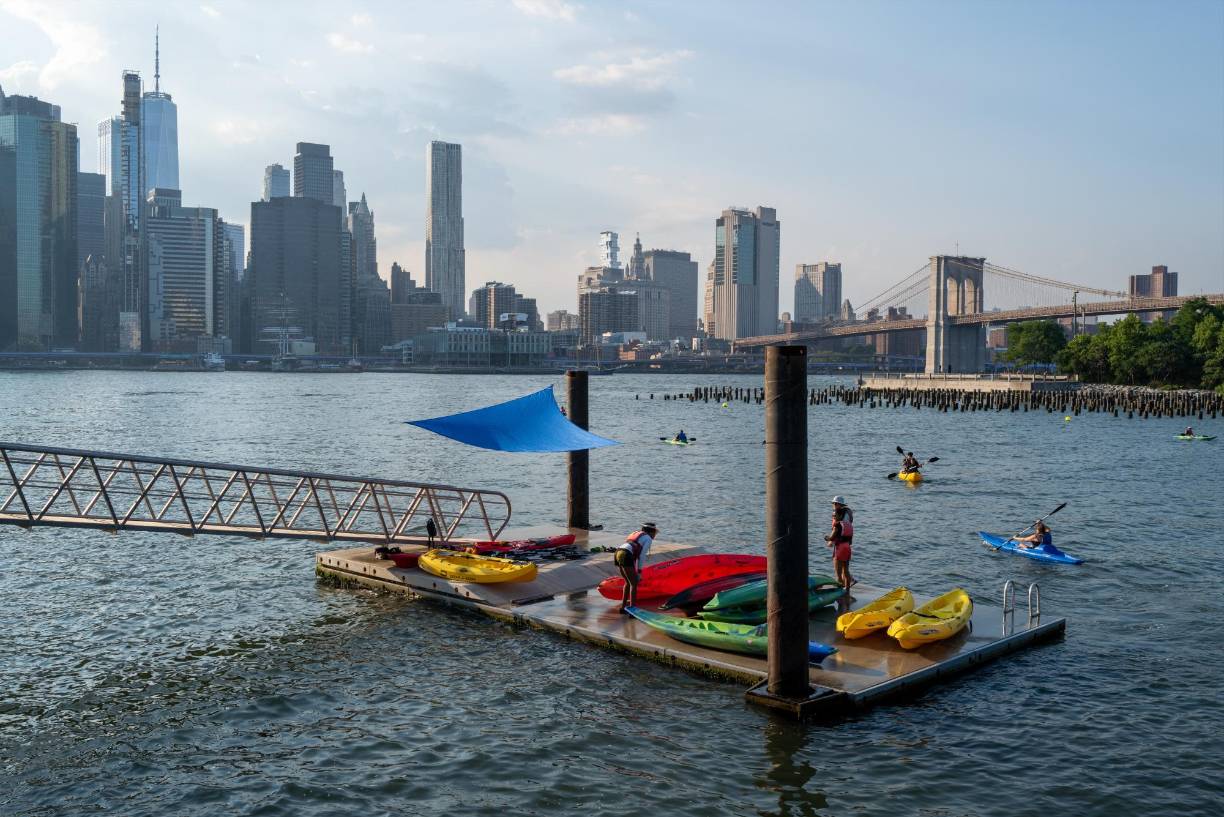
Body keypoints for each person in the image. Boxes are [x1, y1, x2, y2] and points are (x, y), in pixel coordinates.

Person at [614, 522, 657, 613]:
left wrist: (636, 570)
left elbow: (633, 551)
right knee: (634, 583)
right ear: (651, 532)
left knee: (628, 582)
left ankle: (623, 608)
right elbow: (641, 556)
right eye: (655, 533)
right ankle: (633, 610)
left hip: (618, 552)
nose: (655, 535)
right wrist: (639, 572)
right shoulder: (648, 538)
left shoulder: (636, 533)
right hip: (626, 554)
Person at [824, 502, 855, 591]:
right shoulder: (848, 525)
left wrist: (826, 538)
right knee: (846, 571)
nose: (833, 518)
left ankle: (839, 592)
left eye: (834, 516)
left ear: (838, 516)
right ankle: (847, 590)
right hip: (847, 548)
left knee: (838, 573)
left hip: (840, 548)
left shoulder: (837, 525)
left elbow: (831, 537)